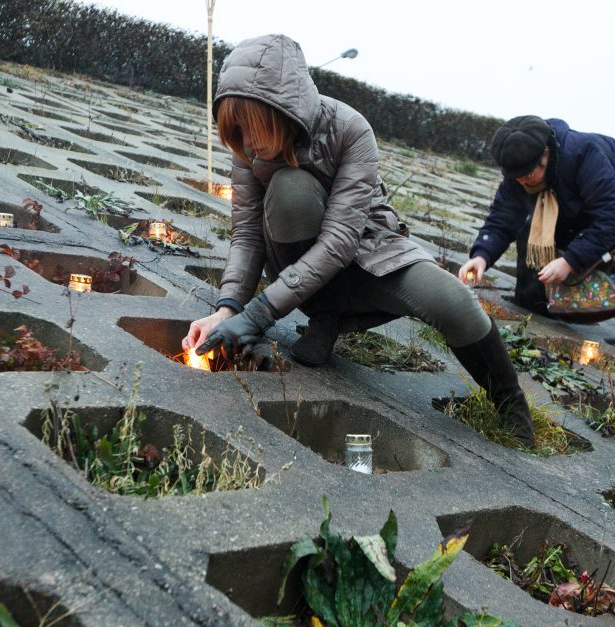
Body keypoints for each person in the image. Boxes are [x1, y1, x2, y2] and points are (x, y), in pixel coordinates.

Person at [180, 34, 536, 446]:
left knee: (454, 302)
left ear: (279, 110)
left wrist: (259, 315)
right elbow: (246, 236)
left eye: (251, 127)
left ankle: (509, 400)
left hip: (370, 249)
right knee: (291, 191)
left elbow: (341, 241)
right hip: (293, 255)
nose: (246, 143)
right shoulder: (248, 150)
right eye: (235, 131)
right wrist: (227, 311)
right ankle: (325, 314)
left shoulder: (350, 128)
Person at [458, 116, 615, 366]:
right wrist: (481, 256)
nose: (524, 181)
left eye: (529, 174)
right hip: (580, 201)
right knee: (533, 230)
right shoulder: (520, 168)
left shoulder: (584, 156)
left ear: (546, 153)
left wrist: (569, 261)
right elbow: (503, 216)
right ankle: (533, 310)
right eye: (516, 177)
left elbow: (610, 219)